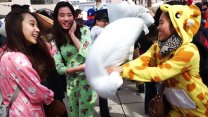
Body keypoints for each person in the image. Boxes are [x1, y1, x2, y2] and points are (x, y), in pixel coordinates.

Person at [107, 4, 208, 116]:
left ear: (176, 25)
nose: (157, 27)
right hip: (176, 108)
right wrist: (118, 68)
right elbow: (141, 61)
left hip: (198, 110)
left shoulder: (188, 50)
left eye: (161, 23)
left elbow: (161, 73)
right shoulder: (158, 47)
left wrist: (122, 71)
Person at [0, 9, 54, 116]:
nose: (37, 29)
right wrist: (51, 99)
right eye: (32, 24)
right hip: (26, 112)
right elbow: (37, 91)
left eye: (37, 25)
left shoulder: (7, 54)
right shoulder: (17, 58)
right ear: (17, 26)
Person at [52, 1, 97, 117]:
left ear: (74, 16)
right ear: (56, 17)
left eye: (69, 15)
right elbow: (59, 68)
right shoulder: (55, 38)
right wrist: (78, 68)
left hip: (87, 82)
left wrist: (72, 35)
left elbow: (89, 55)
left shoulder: (84, 30)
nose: (66, 19)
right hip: (71, 84)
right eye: (62, 15)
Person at [91, 11, 110, 117]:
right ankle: (105, 114)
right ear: (97, 22)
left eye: (106, 21)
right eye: (104, 21)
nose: (106, 23)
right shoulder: (100, 31)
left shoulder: (91, 30)